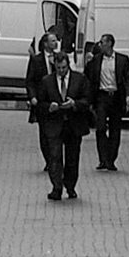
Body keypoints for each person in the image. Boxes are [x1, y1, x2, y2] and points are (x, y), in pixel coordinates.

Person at [38, 47, 94, 201]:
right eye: (58, 68)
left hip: (73, 124)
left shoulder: (79, 79)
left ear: (68, 65)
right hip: (54, 125)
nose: (61, 71)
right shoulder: (47, 81)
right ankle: (56, 187)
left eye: (63, 68)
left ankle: (70, 186)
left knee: (72, 158)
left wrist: (74, 104)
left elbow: (87, 100)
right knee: (54, 157)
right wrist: (49, 107)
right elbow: (40, 104)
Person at [85, 31, 129, 171]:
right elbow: (88, 77)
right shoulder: (96, 60)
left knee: (115, 129)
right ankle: (103, 158)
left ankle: (111, 159)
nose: (100, 45)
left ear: (110, 43)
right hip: (102, 97)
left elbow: (128, 78)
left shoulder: (122, 60)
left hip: (116, 96)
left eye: (102, 42)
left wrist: (128, 95)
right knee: (100, 127)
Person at [25, 30, 60, 170]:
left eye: (56, 40)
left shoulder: (59, 57)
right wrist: (32, 96)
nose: (56, 43)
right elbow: (30, 80)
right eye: (53, 40)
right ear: (45, 44)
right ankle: (48, 160)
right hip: (42, 100)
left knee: (56, 131)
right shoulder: (36, 60)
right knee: (44, 132)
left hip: (56, 99)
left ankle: (56, 158)